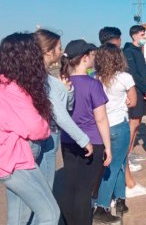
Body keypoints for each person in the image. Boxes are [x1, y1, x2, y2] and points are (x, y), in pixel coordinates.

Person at [14, 30, 94, 224]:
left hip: (24, 140)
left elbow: (62, 106)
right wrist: (83, 139)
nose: (61, 51)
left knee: (27, 199)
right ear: (48, 51)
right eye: (58, 47)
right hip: (46, 138)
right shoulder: (45, 79)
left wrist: (67, 91)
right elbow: (61, 114)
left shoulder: (25, 75)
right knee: (43, 197)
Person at [0, 32, 60, 225]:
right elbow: (36, 127)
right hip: (17, 161)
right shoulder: (13, 89)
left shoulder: (6, 84)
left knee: (19, 217)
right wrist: (46, 124)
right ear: (25, 56)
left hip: (13, 161)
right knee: (49, 213)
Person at [59, 39, 112, 225]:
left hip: (67, 140)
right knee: (84, 189)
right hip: (93, 140)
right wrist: (108, 146)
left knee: (70, 186)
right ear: (84, 58)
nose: (93, 57)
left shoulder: (61, 83)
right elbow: (101, 118)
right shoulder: (92, 85)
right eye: (91, 54)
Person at [93, 43, 141, 223]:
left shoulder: (94, 77)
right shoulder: (124, 78)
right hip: (119, 125)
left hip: (101, 127)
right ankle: (102, 206)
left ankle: (120, 199)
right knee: (113, 167)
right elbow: (134, 101)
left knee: (120, 162)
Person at [123, 25, 146, 196]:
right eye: (142, 34)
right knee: (132, 124)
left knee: (137, 123)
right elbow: (133, 74)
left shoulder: (139, 50)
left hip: (142, 91)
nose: (144, 36)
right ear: (134, 35)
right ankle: (125, 156)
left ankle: (130, 152)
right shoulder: (129, 52)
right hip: (136, 91)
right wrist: (145, 88)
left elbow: (144, 73)